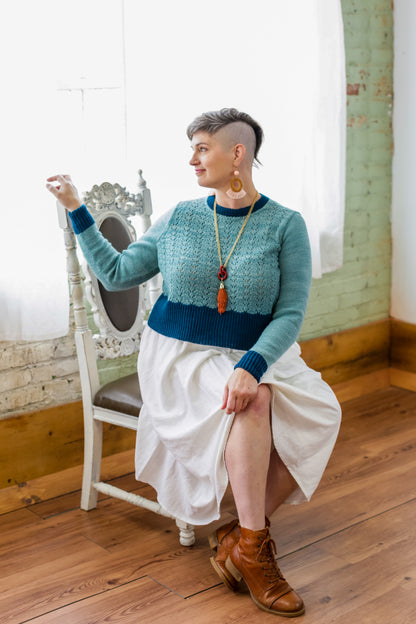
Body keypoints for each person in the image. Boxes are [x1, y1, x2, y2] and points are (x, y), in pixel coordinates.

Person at [47, 107, 341, 618]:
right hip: (181, 354)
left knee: (322, 411)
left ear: (237, 154)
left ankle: (241, 538)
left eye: (202, 148)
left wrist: (251, 364)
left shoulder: (285, 225)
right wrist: (77, 209)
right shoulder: (181, 217)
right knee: (253, 405)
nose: (192, 159)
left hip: (255, 351)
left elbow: (291, 311)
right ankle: (257, 553)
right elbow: (116, 274)